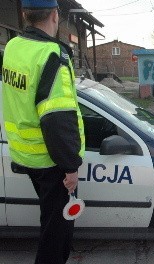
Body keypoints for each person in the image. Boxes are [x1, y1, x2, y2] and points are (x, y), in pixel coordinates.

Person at [2, 0, 85, 263]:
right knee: (56, 231)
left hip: (24, 153)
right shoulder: (52, 55)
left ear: (25, 14)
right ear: (54, 15)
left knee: (51, 218)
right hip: (51, 162)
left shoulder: (14, 46)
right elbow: (57, 119)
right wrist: (70, 167)